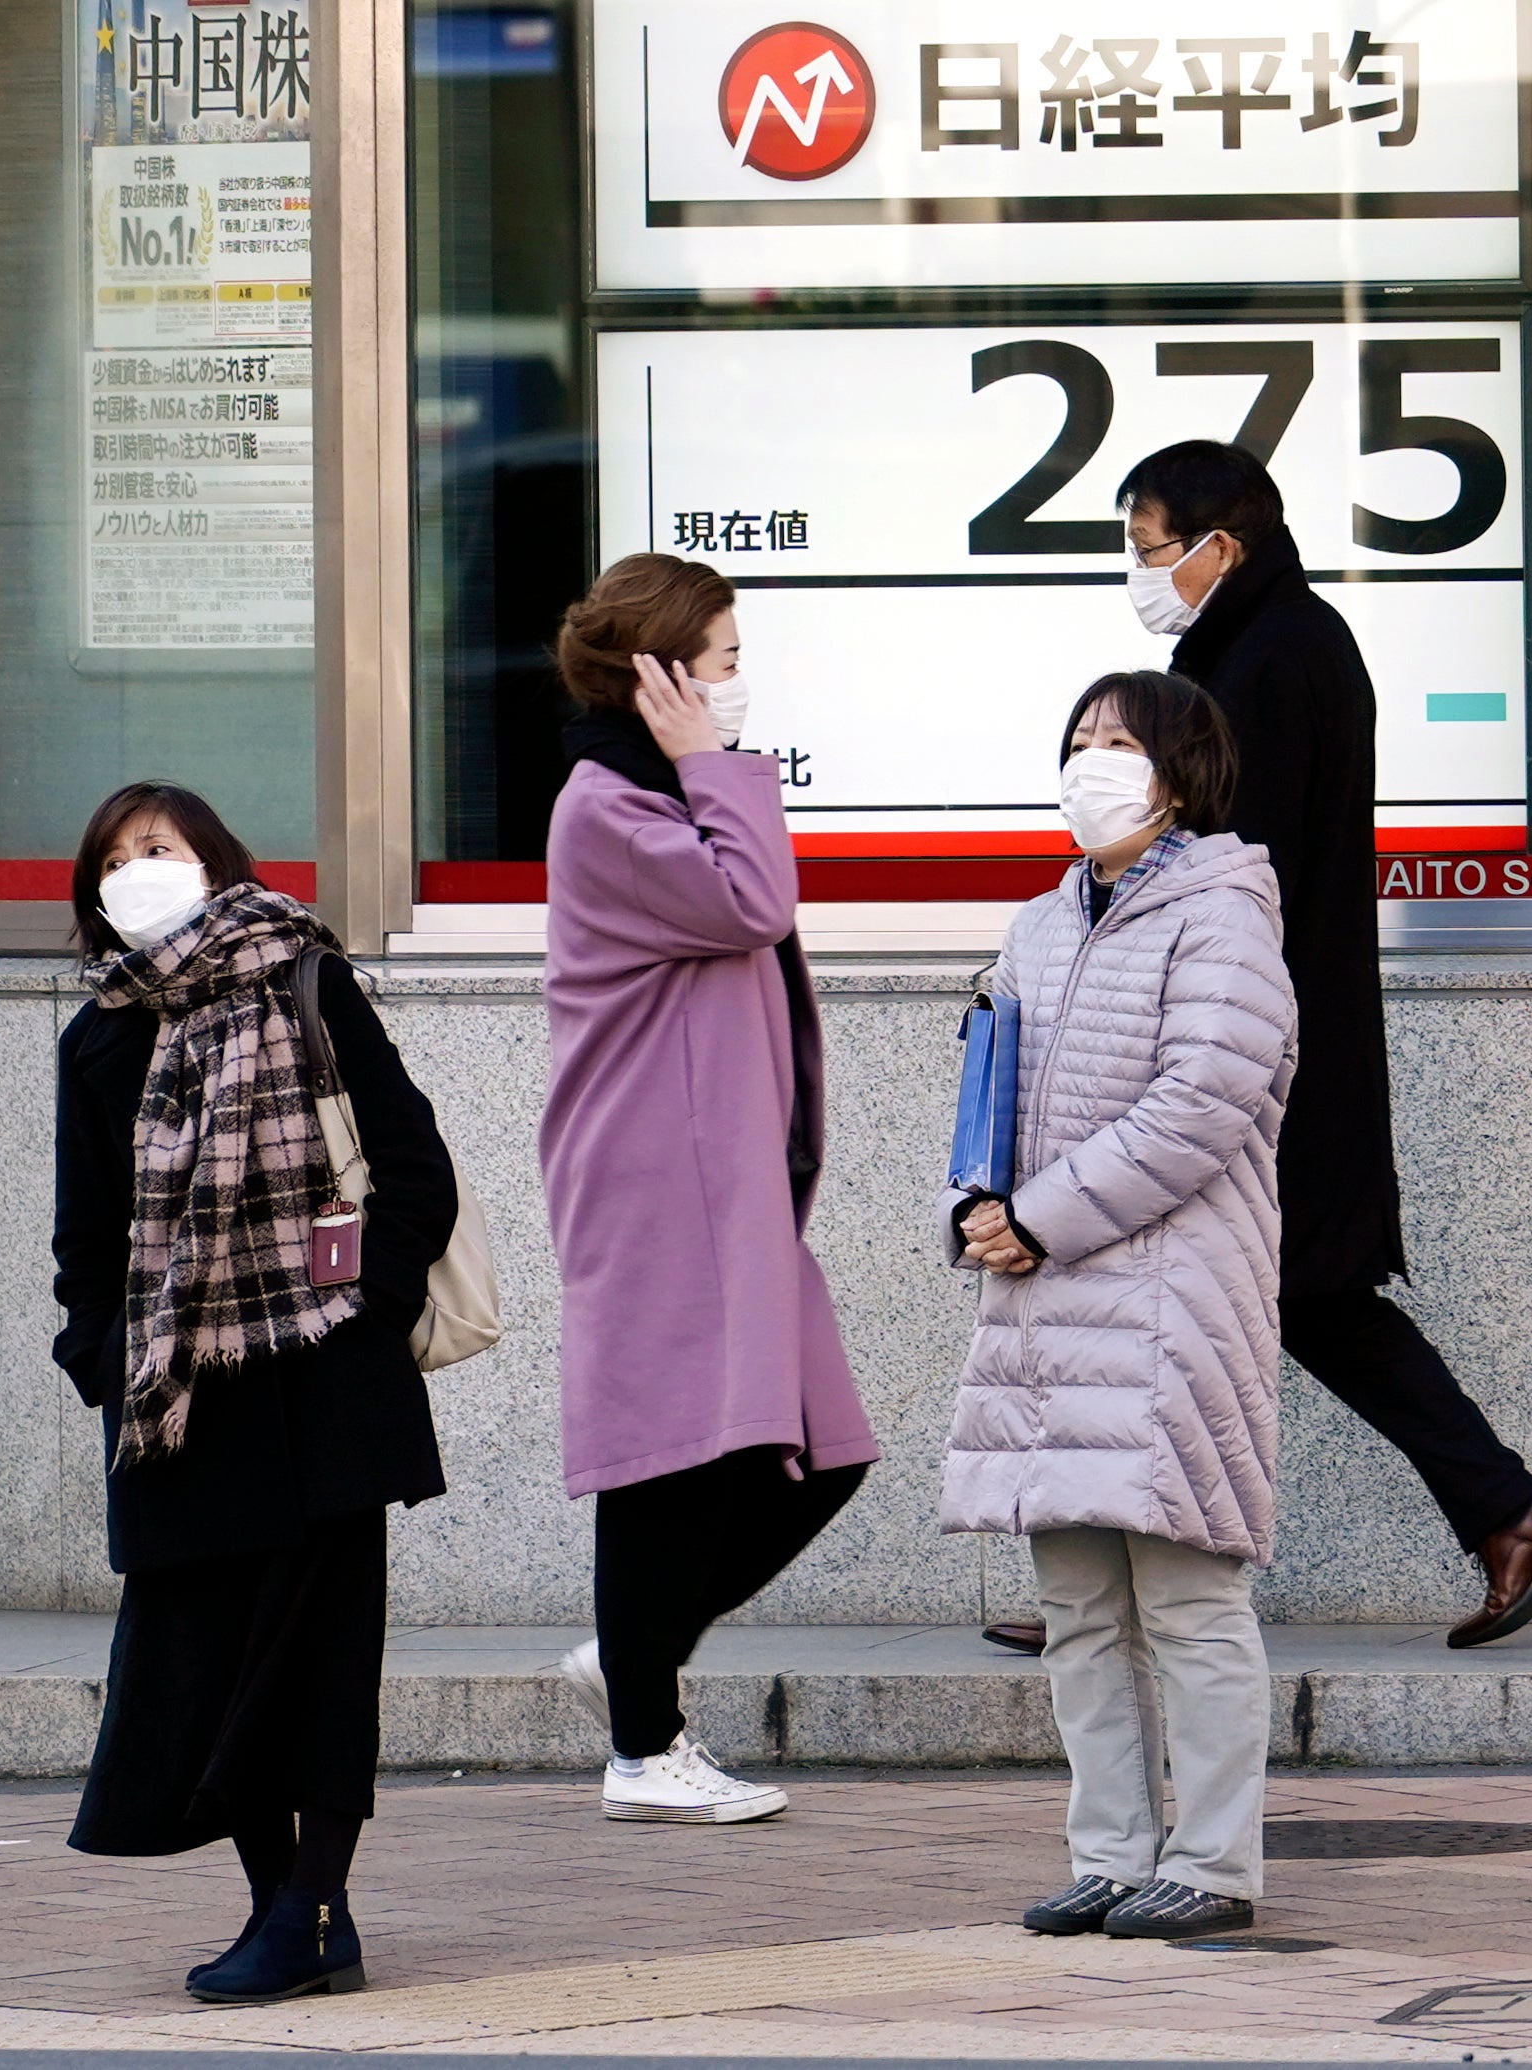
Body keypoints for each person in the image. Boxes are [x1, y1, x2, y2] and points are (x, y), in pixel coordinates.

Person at [980, 440, 1532, 1656]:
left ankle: (1501, 1507)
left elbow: (1212, 864)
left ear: (1226, 545)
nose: (1142, 572)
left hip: (1241, 1043)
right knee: (1283, 1296)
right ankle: (1505, 1508)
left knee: (1236, 1290)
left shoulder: (1262, 662)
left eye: (1153, 547)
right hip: (1275, 1034)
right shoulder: (1273, 643)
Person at [51, 781, 459, 2005]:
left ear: (216, 861)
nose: (138, 871)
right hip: (181, 1397)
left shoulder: (307, 982)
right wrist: (104, 1360)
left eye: (159, 847)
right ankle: (282, 1908)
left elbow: (415, 1169)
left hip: (321, 1382)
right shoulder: (100, 1039)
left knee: (324, 1659)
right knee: (212, 1667)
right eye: (115, 858)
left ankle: (314, 1905)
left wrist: (359, 1315)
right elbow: (89, 1238)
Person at [942, 669, 1296, 1941]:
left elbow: (1201, 1103)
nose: (1091, 762)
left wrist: (1039, 1216)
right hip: (1048, 1305)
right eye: (1078, 741)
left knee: (1191, 1604)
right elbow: (989, 1076)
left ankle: (1212, 1864)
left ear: (1178, 772)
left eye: (1118, 743)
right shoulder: (1040, 921)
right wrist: (977, 1203)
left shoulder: (1224, 916)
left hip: (1170, 1305)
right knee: (1082, 1608)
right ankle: (1109, 1852)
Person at [537, 552, 878, 1824]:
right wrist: (714, 766)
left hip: (717, 1169)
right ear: (659, 676)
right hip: (648, 1168)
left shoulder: (655, 793)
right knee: (662, 1457)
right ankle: (643, 1745)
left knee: (823, 1446)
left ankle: (635, 1663)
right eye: (723, 664)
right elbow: (753, 900)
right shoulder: (608, 806)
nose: (740, 690)